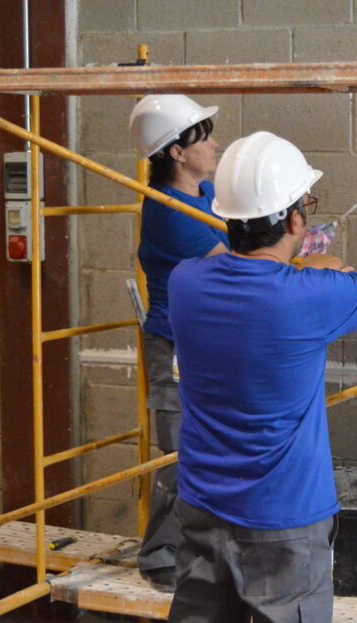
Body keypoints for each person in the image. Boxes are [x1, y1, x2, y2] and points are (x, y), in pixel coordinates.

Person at [166, 131, 357, 623]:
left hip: (203, 507)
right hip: (283, 520)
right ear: (296, 222)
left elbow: (251, 279)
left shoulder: (185, 283)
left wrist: (310, 266)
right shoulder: (310, 298)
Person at [128, 94, 228, 591]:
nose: (213, 145)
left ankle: (197, 551)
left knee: (208, 450)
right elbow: (233, 265)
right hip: (176, 349)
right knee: (180, 451)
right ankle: (159, 556)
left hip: (205, 344)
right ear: (175, 152)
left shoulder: (206, 193)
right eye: (202, 138)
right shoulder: (171, 212)